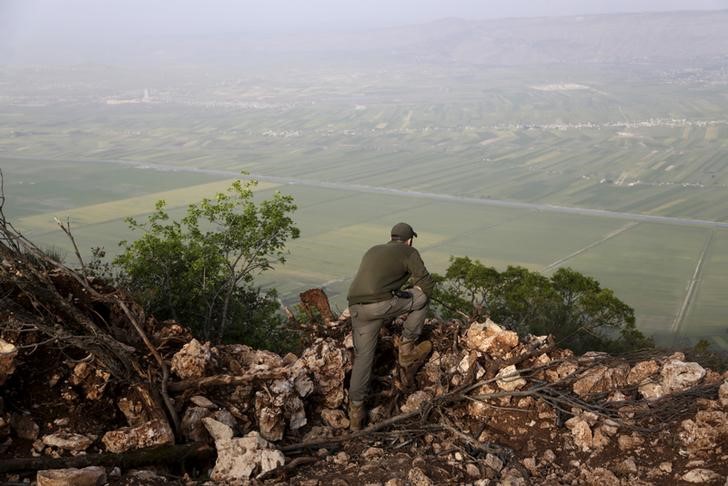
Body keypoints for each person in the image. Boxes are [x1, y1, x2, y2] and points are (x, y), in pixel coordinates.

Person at [346, 222, 435, 430]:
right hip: (380, 305)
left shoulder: (373, 250)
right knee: (422, 298)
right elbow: (427, 284)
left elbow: (377, 281)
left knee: (363, 358)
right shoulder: (409, 251)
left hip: (357, 307)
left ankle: (355, 416)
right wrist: (414, 291)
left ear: (391, 237)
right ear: (409, 239)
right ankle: (407, 349)